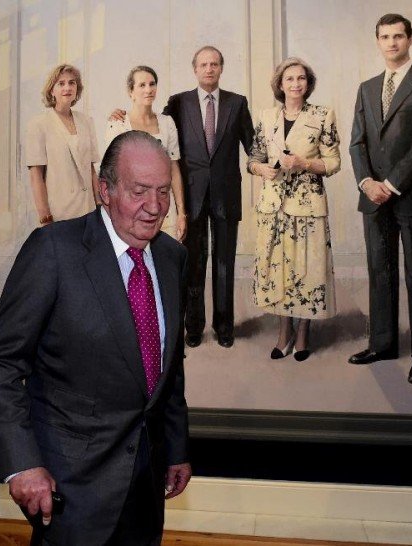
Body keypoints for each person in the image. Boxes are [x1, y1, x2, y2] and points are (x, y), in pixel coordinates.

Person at [0, 131, 191, 546]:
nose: (155, 207)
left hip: (146, 481)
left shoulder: (172, 257)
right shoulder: (53, 250)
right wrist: (22, 463)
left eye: (164, 191)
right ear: (104, 190)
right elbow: (0, 364)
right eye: (139, 191)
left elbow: (170, 364)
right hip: (69, 482)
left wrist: (176, 446)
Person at [112, 46, 254, 348]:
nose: (209, 69)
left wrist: (270, 162)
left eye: (214, 64)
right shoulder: (179, 103)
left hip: (227, 196)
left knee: (225, 264)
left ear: (221, 68)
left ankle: (224, 327)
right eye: (203, 64)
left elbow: (254, 146)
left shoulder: (237, 103)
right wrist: (121, 112)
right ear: (195, 69)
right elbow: (151, 123)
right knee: (194, 265)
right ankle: (194, 326)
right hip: (192, 197)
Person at [348, 13, 412, 384]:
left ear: (410, 39)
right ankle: (383, 344)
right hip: (372, 196)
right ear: (378, 41)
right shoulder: (367, 87)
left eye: (398, 36)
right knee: (380, 271)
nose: (392, 43)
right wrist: (366, 183)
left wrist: (390, 184)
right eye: (385, 37)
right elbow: (357, 142)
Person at [248, 57, 340, 361]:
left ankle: (303, 332)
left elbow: (333, 162)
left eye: (301, 78)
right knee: (278, 271)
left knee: (307, 270)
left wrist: (305, 164)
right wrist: (262, 169)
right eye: (289, 79)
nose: (296, 84)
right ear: (280, 84)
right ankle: (284, 331)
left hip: (308, 207)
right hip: (273, 208)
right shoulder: (266, 116)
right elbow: (253, 159)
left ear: (308, 83)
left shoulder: (322, 115)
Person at [105, 65, 187, 242]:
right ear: (131, 91)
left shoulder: (167, 122)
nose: (148, 90)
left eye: (152, 84)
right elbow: (110, 173)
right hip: (131, 209)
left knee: (166, 255)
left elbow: (173, 168)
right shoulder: (118, 124)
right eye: (142, 85)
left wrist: (181, 212)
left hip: (164, 209)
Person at [26, 64, 101, 226]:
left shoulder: (87, 122)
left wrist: (100, 207)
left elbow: (91, 169)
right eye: (61, 83)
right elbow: (36, 176)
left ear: (77, 88)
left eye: (72, 82)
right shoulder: (38, 125)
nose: (67, 87)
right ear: (51, 90)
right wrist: (46, 218)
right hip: (58, 214)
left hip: (89, 211)